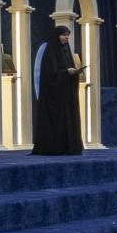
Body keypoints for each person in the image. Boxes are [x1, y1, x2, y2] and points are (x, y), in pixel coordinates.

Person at [32, 23, 86, 155]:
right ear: (57, 36)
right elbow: (50, 75)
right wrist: (66, 72)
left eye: (67, 35)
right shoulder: (50, 52)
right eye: (63, 35)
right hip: (54, 97)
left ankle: (69, 147)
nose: (66, 38)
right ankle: (55, 147)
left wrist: (74, 73)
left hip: (66, 94)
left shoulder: (66, 51)